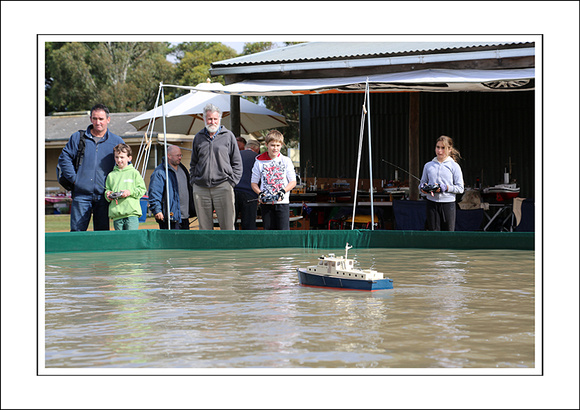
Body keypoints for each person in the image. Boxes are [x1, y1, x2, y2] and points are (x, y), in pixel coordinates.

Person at [58, 104, 125, 231]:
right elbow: (64, 158)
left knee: (102, 235)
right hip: (81, 196)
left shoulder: (116, 141)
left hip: (104, 196)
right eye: (95, 118)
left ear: (108, 120)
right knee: (77, 233)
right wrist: (74, 179)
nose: (98, 122)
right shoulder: (78, 138)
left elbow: (126, 165)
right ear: (90, 119)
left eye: (101, 119)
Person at [189, 103, 243, 230]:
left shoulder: (228, 136)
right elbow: (193, 163)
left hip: (223, 186)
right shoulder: (198, 137)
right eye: (209, 119)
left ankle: (229, 249)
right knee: (204, 227)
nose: (212, 121)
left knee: (228, 226)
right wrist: (194, 181)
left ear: (219, 119)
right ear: (204, 119)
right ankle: (207, 250)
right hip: (201, 188)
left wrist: (231, 182)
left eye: (215, 119)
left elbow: (237, 163)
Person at [251, 130, 297, 230]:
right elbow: (254, 183)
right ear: (266, 145)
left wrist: (282, 191)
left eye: (278, 145)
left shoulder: (286, 160)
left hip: (282, 202)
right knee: (268, 232)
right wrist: (260, 193)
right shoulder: (259, 161)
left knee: (283, 232)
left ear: (281, 145)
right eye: (272, 145)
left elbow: (293, 181)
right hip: (266, 203)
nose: (275, 148)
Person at [419, 135, 465, 231]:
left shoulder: (454, 166)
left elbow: (460, 188)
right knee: (433, 233)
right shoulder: (428, 165)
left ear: (449, 149)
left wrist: (446, 187)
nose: (439, 151)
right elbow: (422, 183)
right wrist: (423, 188)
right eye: (438, 147)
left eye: (443, 148)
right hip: (431, 204)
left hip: (448, 204)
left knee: (448, 234)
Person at [149, 145, 195, 230]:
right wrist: (157, 210)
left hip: (184, 217)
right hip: (170, 217)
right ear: (169, 156)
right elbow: (154, 193)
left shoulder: (183, 169)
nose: (180, 157)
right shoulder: (160, 172)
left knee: (185, 242)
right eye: (177, 155)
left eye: (181, 155)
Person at [104, 144, 147, 230]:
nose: (119, 160)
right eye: (116, 157)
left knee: (131, 240)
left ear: (129, 158)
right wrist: (108, 194)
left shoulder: (134, 173)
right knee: (120, 241)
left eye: (122, 157)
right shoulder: (111, 175)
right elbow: (107, 190)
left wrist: (129, 192)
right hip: (117, 215)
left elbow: (142, 189)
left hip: (131, 214)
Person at [234, 139, 261, 230]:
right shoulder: (258, 158)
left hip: (234, 192)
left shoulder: (236, 155)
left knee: (232, 223)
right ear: (256, 149)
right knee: (248, 224)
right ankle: (248, 243)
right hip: (250, 194)